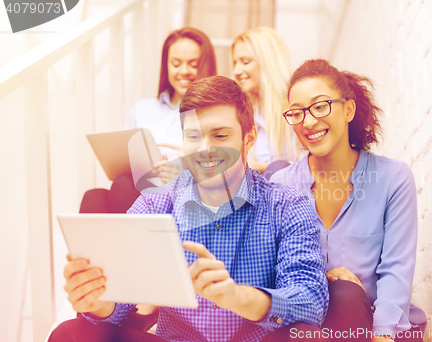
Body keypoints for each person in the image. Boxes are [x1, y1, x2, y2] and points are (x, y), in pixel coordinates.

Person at [49, 76, 329, 342]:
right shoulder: (157, 201)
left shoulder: (288, 205)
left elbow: (310, 300)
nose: (204, 149)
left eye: (220, 135)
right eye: (194, 136)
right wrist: (97, 301)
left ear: (249, 138)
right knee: (70, 333)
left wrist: (236, 297)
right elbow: (119, 301)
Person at [271, 59, 427, 342]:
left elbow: (396, 270)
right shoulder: (280, 186)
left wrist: (382, 334)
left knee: (345, 297)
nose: (308, 122)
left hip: (374, 324)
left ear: (348, 109)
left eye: (320, 106)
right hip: (308, 324)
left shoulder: (393, 178)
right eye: (297, 112)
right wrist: (323, 278)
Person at [80, 27, 217, 213]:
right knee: (94, 197)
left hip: (185, 197)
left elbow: (225, 173)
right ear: (166, 65)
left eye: (193, 64)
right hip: (138, 190)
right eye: (176, 64)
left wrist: (182, 172)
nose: (184, 71)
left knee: (122, 186)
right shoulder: (143, 108)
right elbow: (123, 164)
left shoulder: (217, 114)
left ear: (206, 66)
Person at [231, 27, 297, 177]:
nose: (236, 71)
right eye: (235, 63)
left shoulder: (297, 110)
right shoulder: (241, 113)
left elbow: (313, 169)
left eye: (245, 62)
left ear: (268, 61)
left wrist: (265, 168)